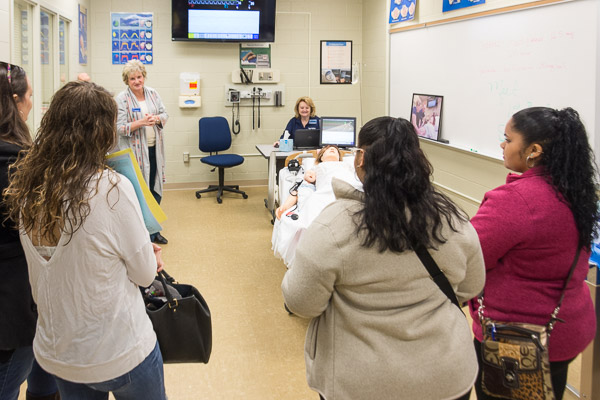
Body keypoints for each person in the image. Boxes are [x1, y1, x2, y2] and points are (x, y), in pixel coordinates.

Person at [282, 116, 485, 400]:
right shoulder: (452, 218)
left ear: (361, 158)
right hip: (446, 377)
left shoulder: (334, 225)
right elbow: (470, 287)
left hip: (362, 383)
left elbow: (301, 302)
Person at [4, 80, 167, 400]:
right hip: (118, 352)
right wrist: (147, 252)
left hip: (60, 352)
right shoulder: (110, 187)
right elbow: (145, 275)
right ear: (103, 132)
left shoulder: (28, 183)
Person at [468, 107, 598, 400]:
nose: (502, 145)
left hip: (517, 341)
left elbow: (470, 259)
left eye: (508, 138)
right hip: (564, 328)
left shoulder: (516, 201)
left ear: (534, 150)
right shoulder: (574, 188)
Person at [0, 62, 59, 400]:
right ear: (15, 101)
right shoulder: (21, 164)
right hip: (13, 304)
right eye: (30, 97)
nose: (32, 104)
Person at [115, 59, 169, 244]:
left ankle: (154, 232)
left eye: (139, 77)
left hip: (155, 149)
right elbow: (119, 128)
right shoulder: (122, 99)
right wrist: (141, 123)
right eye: (132, 79)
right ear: (127, 81)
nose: (137, 81)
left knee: (155, 189)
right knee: (140, 192)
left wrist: (157, 118)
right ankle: (142, 235)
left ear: (144, 77)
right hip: (135, 154)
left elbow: (165, 114)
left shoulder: (153, 94)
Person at [275, 145, 343, 219]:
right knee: (304, 188)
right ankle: (285, 208)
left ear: (339, 159)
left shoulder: (345, 166)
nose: (332, 149)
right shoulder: (318, 167)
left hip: (340, 192)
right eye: (328, 149)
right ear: (322, 158)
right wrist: (309, 177)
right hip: (323, 194)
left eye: (336, 151)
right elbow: (304, 185)